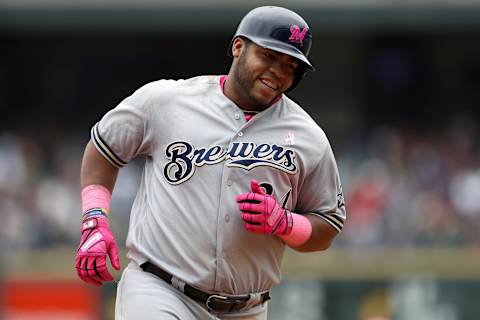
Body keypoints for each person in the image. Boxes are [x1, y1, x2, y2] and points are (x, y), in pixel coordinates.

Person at [75, 6, 346, 320]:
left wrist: (285, 223)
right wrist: (94, 217)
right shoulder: (167, 101)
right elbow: (103, 148)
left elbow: (328, 224)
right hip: (160, 289)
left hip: (247, 308)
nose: (278, 72)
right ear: (238, 47)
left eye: (290, 66)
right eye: (268, 56)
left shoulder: (307, 136)